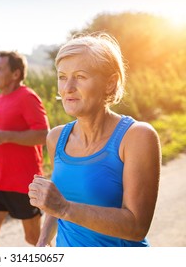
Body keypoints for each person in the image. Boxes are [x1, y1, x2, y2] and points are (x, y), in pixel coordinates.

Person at [28, 33, 161, 247]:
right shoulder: (56, 138)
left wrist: (65, 208)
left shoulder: (137, 137)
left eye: (80, 76)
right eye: (62, 77)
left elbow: (137, 227)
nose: (68, 87)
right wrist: (43, 241)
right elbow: (57, 201)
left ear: (110, 83)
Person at [0, 51, 50, 247]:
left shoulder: (28, 97)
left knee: (35, 240)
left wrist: (5, 137)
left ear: (16, 74)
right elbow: (7, 135)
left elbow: (44, 134)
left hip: (24, 182)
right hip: (0, 180)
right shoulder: (1, 99)